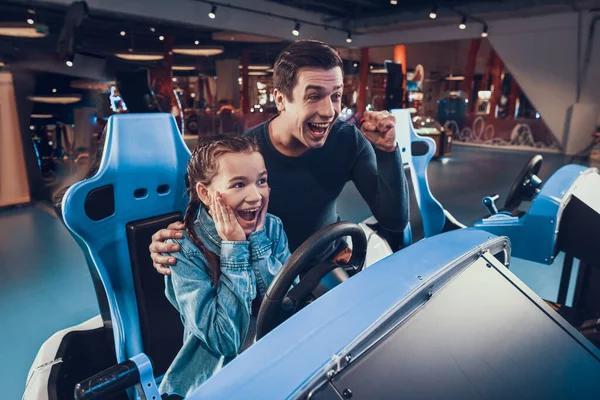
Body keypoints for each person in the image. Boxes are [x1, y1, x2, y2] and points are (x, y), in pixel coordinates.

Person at [150, 39, 409, 276]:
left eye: (336, 95)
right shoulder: (242, 155)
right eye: (314, 96)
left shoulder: (348, 140)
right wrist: (170, 242)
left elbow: (394, 220)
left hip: (327, 261)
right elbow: (195, 217)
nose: (330, 111)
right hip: (267, 273)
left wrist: (387, 153)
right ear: (281, 99)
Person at [158, 135, 291, 397]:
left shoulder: (272, 228)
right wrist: (235, 249)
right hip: (217, 382)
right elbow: (225, 340)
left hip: (274, 365)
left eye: (261, 181)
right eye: (238, 184)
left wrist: (258, 241)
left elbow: (288, 307)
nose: (256, 196)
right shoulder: (183, 250)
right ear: (205, 193)